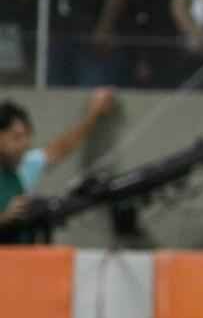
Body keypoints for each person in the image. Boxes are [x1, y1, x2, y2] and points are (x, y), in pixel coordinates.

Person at [0, 88, 117, 242]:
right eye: (16, 137)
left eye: (27, 137)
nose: (25, 144)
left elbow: (61, 148)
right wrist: (4, 218)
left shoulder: (22, 168)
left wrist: (93, 112)